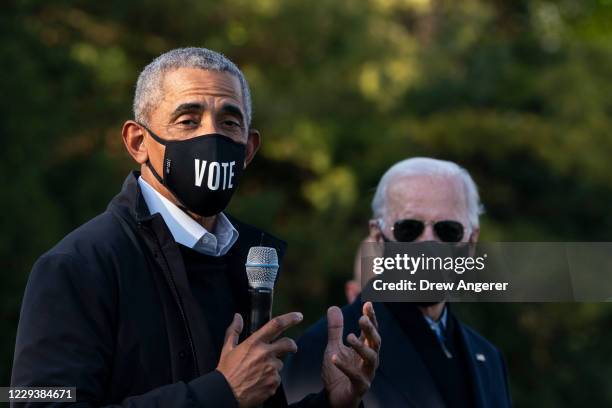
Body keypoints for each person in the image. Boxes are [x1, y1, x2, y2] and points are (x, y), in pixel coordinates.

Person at [11, 47, 381, 408]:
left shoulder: (248, 261)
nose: (213, 137)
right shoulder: (75, 266)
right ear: (138, 142)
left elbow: (247, 396)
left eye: (230, 123)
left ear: (248, 150)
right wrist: (220, 393)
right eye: (188, 121)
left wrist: (332, 402)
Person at [283, 157, 512, 407]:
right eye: (408, 229)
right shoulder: (327, 349)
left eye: (448, 230)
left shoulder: (489, 358)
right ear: (377, 237)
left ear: (471, 241)